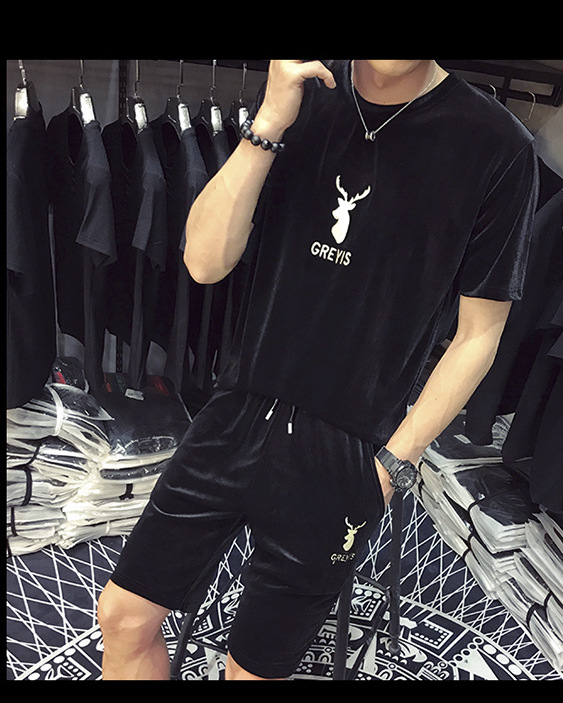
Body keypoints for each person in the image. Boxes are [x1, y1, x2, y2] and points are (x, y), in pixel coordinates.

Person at [96, 59, 538, 680]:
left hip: (346, 451)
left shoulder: (496, 146)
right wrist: (270, 121)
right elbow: (203, 262)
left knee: (253, 669)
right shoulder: (301, 94)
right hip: (237, 410)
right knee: (123, 617)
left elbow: (479, 334)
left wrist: (395, 462)